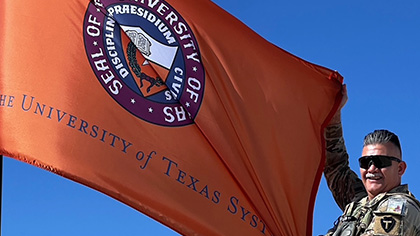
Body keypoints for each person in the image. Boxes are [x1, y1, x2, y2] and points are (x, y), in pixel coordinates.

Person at [323, 85, 420, 235]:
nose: (372, 168)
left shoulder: (400, 207)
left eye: (381, 162)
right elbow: (335, 166)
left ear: (400, 168)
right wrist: (333, 114)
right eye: (365, 162)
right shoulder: (360, 203)